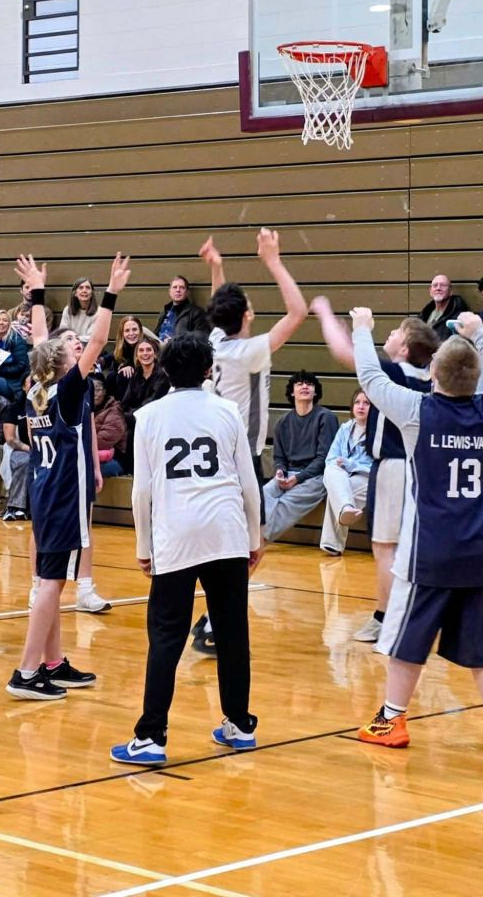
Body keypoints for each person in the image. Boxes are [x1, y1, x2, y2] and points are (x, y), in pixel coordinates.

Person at [350, 309, 483, 752]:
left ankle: (392, 720)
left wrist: (362, 329)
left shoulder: (418, 411)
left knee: (407, 639)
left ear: (434, 375)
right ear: (475, 377)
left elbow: (370, 377)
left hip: (432, 549)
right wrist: (480, 333)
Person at [110, 333, 262, 765]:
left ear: (164, 369)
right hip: (226, 531)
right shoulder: (227, 410)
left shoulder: (148, 416)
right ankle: (239, 724)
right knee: (232, 632)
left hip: (176, 535)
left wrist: (143, 546)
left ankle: (151, 736)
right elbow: (248, 483)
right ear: (209, 370)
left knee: (166, 636)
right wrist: (253, 538)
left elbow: (141, 492)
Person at [6, 253, 130, 700]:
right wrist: (111, 293)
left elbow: (42, 339)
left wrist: (39, 293)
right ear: (62, 363)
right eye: (71, 347)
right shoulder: (68, 388)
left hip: (44, 491)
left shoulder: (38, 389)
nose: (79, 347)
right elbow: (98, 340)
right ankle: (25, 672)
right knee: (52, 582)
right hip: (62, 495)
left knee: (50, 579)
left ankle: (53, 662)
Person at [192, 229, 307, 654]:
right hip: (242, 459)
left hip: (220, 455)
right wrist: (272, 260)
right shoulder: (249, 352)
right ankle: (215, 624)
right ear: (245, 315)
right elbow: (298, 312)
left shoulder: (217, 341)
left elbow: (218, 307)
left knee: (240, 546)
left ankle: (211, 617)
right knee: (249, 547)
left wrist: (216, 266)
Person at [310, 297, 438, 643]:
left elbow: (345, 354)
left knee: (385, 548)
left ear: (405, 349)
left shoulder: (396, 373)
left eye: (397, 332)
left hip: (394, 468)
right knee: (404, 548)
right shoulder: (425, 378)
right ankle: (410, 614)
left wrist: (326, 313)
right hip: (417, 469)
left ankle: (386, 619)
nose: (390, 333)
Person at [262, 371, 338, 543]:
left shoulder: (326, 418)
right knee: (263, 495)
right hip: (289, 473)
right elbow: (279, 458)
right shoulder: (283, 422)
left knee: (285, 504)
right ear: (292, 392)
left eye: (309, 384)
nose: (305, 386)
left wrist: (298, 478)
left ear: (315, 392)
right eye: (299, 384)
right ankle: (253, 540)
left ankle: (258, 542)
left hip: (316, 477)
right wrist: (280, 472)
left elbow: (323, 460)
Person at [320, 389, 373, 556]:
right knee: (331, 471)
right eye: (357, 402)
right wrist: (342, 467)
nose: (361, 406)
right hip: (342, 476)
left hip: (367, 478)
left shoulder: (379, 432)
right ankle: (346, 507)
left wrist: (351, 465)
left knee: (337, 492)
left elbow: (376, 466)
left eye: (366, 403)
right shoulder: (345, 428)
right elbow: (330, 459)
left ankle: (332, 544)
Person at [1, 377, 32, 522]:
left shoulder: (48, 405)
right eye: (31, 382)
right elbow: (10, 438)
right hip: (18, 449)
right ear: (23, 387)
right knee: (26, 461)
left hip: (45, 448)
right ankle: (14, 507)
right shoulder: (14, 408)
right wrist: (29, 449)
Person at [0, 309, 30, 400]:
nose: (1, 323)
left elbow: (20, 367)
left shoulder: (17, 341)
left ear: (9, 324)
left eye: (5, 320)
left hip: (13, 383)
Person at [154, 275, 209, 342]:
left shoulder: (197, 313)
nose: (178, 290)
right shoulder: (164, 312)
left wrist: (174, 341)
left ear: (187, 292)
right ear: (169, 292)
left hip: (177, 347)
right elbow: (155, 335)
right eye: (175, 287)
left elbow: (200, 338)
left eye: (182, 287)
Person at [92, 378, 127, 478]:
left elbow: (103, 441)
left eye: (98, 390)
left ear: (105, 392)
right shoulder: (87, 410)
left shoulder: (114, 411)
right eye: (91, 390)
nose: (94, 394)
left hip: (114, 460)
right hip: (94, 456)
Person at [419, 274, 469, 341]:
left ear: (451, 291)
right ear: (430, 291)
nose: (438, 288)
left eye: (443, 285)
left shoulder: (459, 316)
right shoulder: (425, 314)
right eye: (435, 285)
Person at [103, 315, 143, 382]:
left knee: (125, 375)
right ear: (122, 333)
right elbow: (110, 357)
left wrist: (130, 368)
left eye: (134, 329)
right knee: (111, 376)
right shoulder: (122, 347)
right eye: (127, 331)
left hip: (141, 381)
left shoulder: (146, 347)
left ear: (140, 331)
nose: (131, 333)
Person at [59, 277, 98, 343]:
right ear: (75, 293)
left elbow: (91, 338)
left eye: (88, 288)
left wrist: (72, 338)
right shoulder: (67, 310)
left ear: (92, 293)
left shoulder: (99, 312)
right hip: (70, 346)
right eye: (81, 288)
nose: (84, 290)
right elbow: (63, 333)